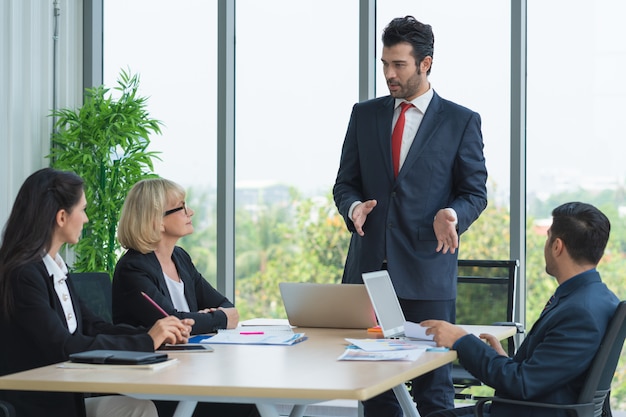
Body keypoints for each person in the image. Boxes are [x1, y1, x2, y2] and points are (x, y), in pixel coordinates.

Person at [332, 15, 488, 417]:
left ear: (426, 63)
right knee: (373, 384)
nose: (389, 74)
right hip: (368, 274)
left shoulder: (460, 121)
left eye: (398, 64)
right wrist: (353, 207)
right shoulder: (364, 115)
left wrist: (452, 213)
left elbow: (475, 192)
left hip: (427, 274)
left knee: (434, 388)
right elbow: (344, 183)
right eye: (385, 63)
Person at [0, 168, 194, 417]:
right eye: (82, 210)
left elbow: (93, 326)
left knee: (140, 408)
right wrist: (146, 341)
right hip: (37, 407)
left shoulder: (55, 269)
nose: (86, 219)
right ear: (62, 217)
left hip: (66, 400)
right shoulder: (23, 275)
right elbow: (63, 346)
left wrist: (154, 334)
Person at [422, 202, 620, 417]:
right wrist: (502, 361)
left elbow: (522, 385)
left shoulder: (580, 313)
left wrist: (461, 340)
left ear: (557, 246)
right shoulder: (598, 298)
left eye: (548, 238)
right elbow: (543, 374)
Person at [112, 177, 259, 417]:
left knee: (248, 399)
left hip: (188, 371)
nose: (190, 211)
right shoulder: (133, 268)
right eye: (181, 207)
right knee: (243, 406)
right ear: (156, 220)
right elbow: (172, 323)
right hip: (154, 382)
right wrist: (210, 319)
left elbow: (227, 308)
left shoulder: (180, 258)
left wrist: (203, 318)